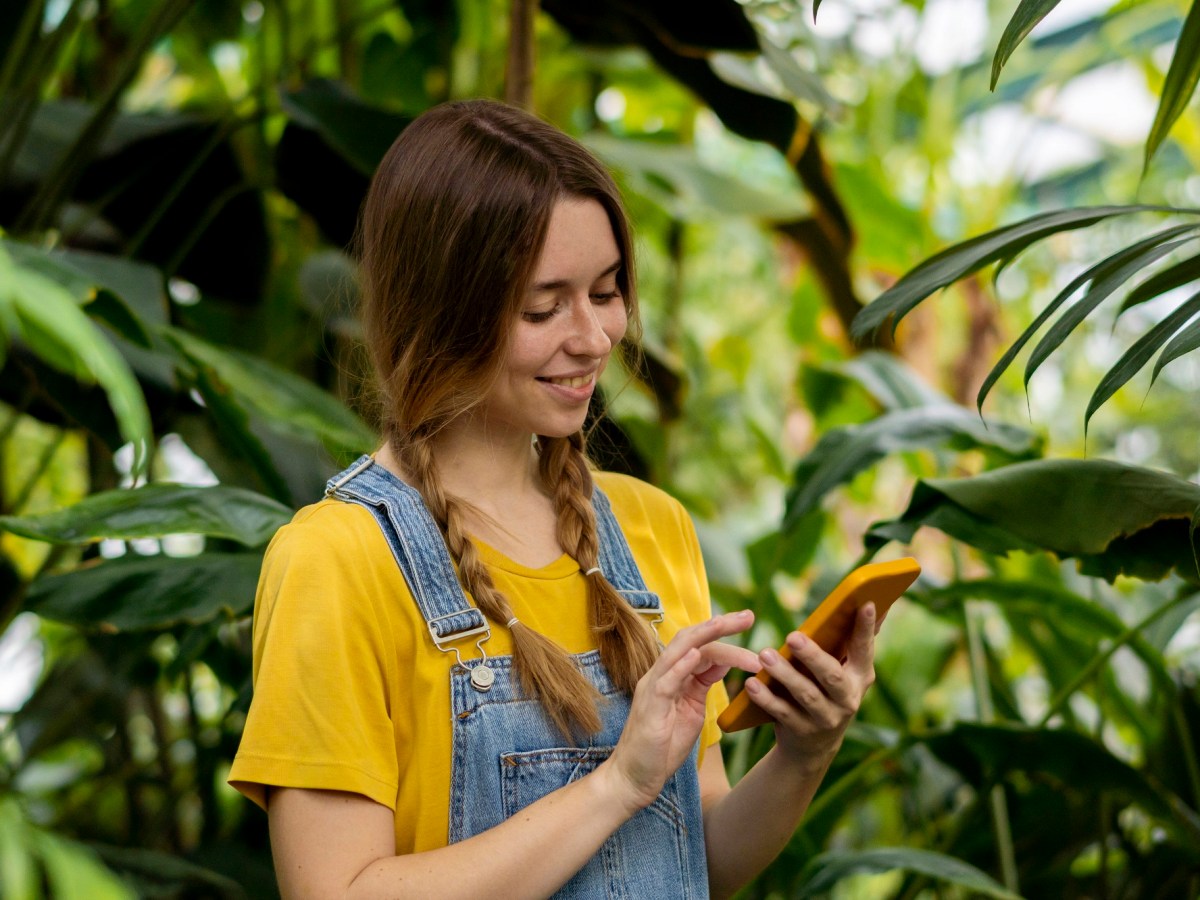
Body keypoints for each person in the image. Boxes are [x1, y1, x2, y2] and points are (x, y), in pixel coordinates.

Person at [228, 99, 877, 900]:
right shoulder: (338, 559)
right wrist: (615, 783)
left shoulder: (651, 530)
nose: (595, 337)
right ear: (441, 312)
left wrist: (804, 753)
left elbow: (695, 859)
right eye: (544, 307)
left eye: (606, 293)